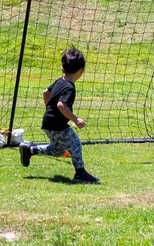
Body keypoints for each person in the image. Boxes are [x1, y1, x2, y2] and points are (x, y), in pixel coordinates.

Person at [19, 46, 99, 184]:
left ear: (62, 68)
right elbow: (61, 105)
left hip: (48, 122)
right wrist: (76, 119)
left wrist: (49, 110)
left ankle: (30, 150)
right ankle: (80, 173)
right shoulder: (69, 87)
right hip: (57, 125)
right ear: (81, 71)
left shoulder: (60, 81)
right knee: (76, 144)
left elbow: (45, 92)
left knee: (57, 150)